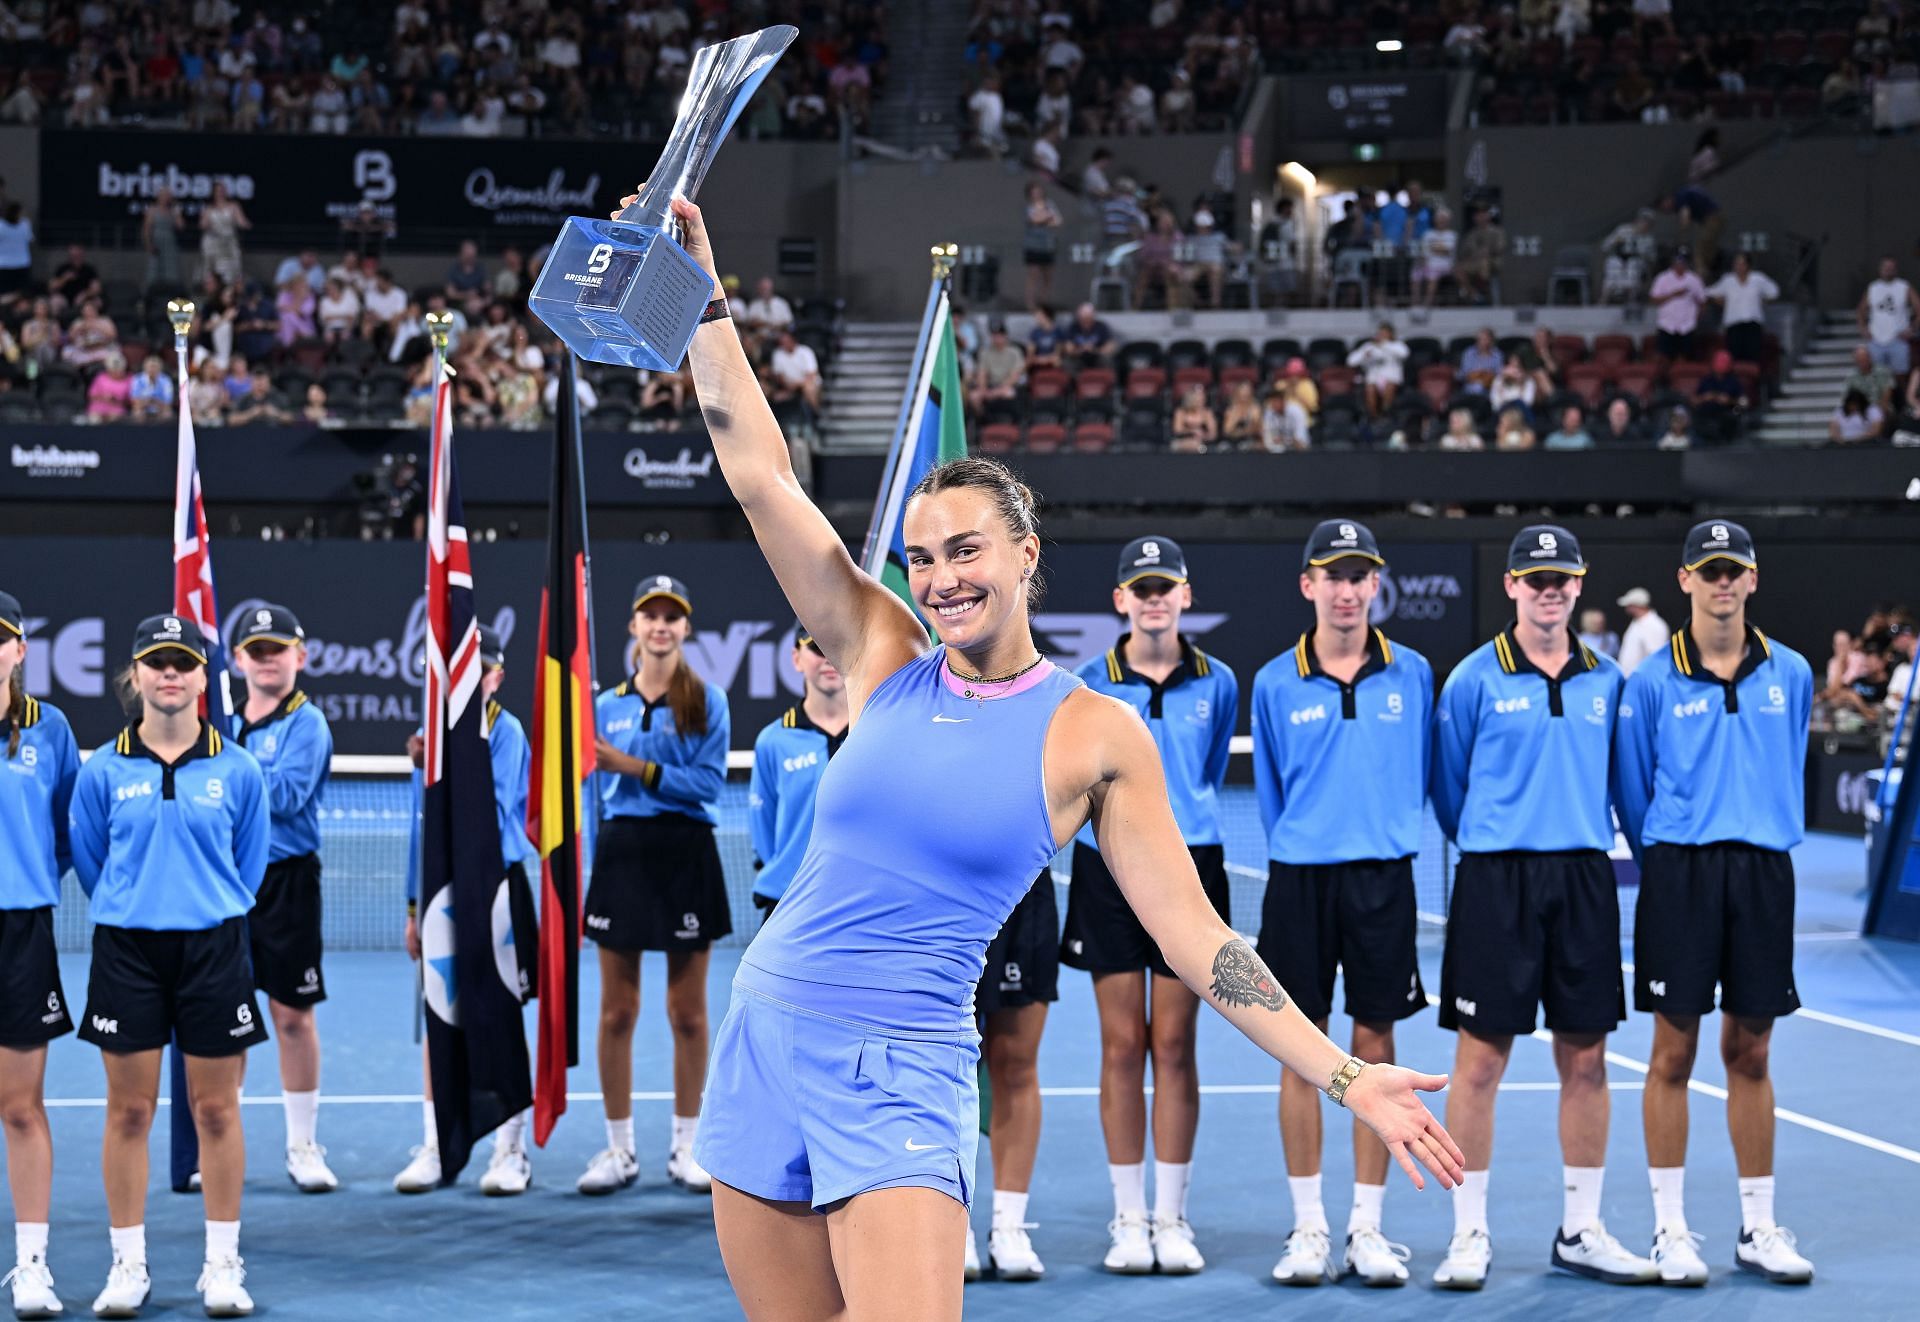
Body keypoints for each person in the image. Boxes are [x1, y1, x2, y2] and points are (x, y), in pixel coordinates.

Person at [640, 193, 1460, 1321]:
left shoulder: (1094, 730)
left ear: (1027, 554)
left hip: (903, 1074)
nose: (940, 579)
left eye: (966, 548)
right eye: (922, 558)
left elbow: (1200, 940)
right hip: (764, 1036)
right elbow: (759, 472)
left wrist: (1348, 1070)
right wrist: (702, 297)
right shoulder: (883, 651)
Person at [1428, 528, 1654, 1291]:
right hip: (1496, 882)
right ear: (1513, 587)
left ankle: (1582, 1229)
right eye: (1535, 578)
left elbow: (1628, 786)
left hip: (1585, 881)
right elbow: (1450, 792)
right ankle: (1469, 1233)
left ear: (1579, 584)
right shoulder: (1471, 679)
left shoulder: (1609, 681)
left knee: (1586, 1060)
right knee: (1480, 1063)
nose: (1549, 589)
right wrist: (1502, 843)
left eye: (1561, 578)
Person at [1614, 520, 1816, 1288]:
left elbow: (1786, 757)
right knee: (1673, 1053)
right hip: (1680, 876)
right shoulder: (1651, 682)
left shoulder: (1791, 672)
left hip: (1763, 875)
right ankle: (1670, 1230)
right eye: (1710, 571)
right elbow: (1633, 792)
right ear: (1686, 580)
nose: (1723, 582)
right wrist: (1672, 851)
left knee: (1753, 1051)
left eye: (1735, 570)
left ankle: (1759, 1227)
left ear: (1753, 580)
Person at [69, 614, 269, 1317]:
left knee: (216, 1109)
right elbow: (93, 863)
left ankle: (222, 1265)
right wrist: (139, 904)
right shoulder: (102, 770)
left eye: (183, 662)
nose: (171, 674)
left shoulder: (238, 768)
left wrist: (199, 904)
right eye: (157, 662)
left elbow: (249, 862)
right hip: (127, 953)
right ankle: (128, 1265)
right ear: (136, 675)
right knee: (129, 1111)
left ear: (202, 676)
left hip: (215, 949)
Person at [1255, 519, 1436, 1288]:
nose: (1347, 589)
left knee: (1375, 1048)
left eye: (1359, 575)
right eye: (1332, 575)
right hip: (1300, 882)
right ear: (1309, 587)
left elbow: (1428, 771)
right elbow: (1268, 795)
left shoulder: (1416, 674)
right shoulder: (1272, 681)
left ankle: (1366, 1226)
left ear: (1375, 585)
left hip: (1384, 884)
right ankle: (1308, 1229)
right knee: (1304, 1050)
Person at [1060, 537, 1239, 1277]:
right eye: (1141, 588)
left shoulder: (1220, 683)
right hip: (1108, 876)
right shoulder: (1086, 689)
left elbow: (1209, 769)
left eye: (1166, 587)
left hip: (1190, 872)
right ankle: (1128, 1217)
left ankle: (1172, 1216)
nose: (1154, 598)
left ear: (1185, 598)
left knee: (1174, 1046)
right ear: (1121, 602)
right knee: (1121, 1046)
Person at [580, 575, 730, 1197]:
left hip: (685, 854)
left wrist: (636, 766)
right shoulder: (602, 704)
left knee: (687, 1013)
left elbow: (709, 785)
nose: (661, 626)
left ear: (685, 628)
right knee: (617, 1011)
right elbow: (587, 790)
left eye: (672, 616)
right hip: (622, 854)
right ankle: (618, 1150)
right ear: (635, 628)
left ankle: (688, 1145)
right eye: (651, 616)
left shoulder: (707, 701)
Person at [394, 626, 541, 1196]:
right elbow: (419, 830)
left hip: (496, 888)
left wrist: (441, 765)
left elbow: (489, 811)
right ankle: (438, 1143)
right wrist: (413, 906)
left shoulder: (505, 733)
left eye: (479, 671)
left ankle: (511, 1150)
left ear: (495, 678)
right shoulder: (429, 740)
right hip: (440, 894)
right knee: (440, 1013)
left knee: (502, 1012)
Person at [227, 605, 336, 1195]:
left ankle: (302, 1145)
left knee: (292, 1016)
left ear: (301, 656)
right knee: (228, 1019)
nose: (268, 659)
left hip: (288, 881)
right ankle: (224, 1144)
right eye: (257, 649)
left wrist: (218, 773)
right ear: (238, 659)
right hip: (226, 884)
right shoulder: (219, 721)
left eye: (278, 649)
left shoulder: (307, 722)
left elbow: (287, 797)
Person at [0, 591, 80, 1320]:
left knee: (20, 1107)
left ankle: (31, 1265)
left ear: (19, 651)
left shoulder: (49, 729)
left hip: (21, 934)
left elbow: (69, 835)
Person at [748, 622, 848, 920]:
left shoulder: (876, 729)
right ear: (796, 658)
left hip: (861, 903)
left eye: (835, 646)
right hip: (790, 903)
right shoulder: (772, 741)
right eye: (817, 649)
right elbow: (763, 829)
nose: (828, 658)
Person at [1707, 253, 1778, 366]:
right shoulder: (1728, 280)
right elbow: (1710, 292)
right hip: (1734, 324)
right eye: (1737, 264)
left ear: (1748, 265)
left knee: (1752, 357)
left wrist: (1763, 300)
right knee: (1734, 358)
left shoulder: (1758, 279)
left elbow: (1774, 292)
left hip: (1753, 324)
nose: (1739, 267)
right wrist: (1720, 301)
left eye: (1742, 264)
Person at [1856, 256, 1919, 376]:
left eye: (1891, 267)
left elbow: (1918, 308)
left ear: (1896, 269)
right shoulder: (1873, 287)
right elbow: (1861, 310)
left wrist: (1912, 328)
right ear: (1880, 269)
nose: (1888, 270)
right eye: (1886, 267)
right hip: (1876, 339)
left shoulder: (1904, 286)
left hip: (1898, 339)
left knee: (1901, 375)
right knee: (1876, 376)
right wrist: (1863, 328)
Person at [1650, 249, 1707, 361]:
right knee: (1663, 357)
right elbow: (1654, 299)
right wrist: (1673, 294)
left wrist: (1696, 318)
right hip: (1667, 325)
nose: (1680, 264)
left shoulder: (1694, 279)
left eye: (1683, 261)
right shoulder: (1663, 278)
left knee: (1684, 358)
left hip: (1687, 326)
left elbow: (1703, 301)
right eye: (1678, 261)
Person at [1347, 323, 1409, 418]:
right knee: (1370, 389)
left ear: (1391, 334)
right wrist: (1364, 355)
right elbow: (1350, 362)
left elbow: (1405, 354)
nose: (1381, 336)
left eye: (1385, 333)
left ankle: (1387, 414)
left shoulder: (1396, 345)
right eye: (1380, 333)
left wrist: (1385, 344)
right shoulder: (1369, 346)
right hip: (1373, 378)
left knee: (1389, 386)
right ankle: (1374, 417)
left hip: (1391, 378)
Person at [1022, 182, 1063, 310]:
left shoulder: (1049, 205)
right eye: (1034, 192)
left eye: (1039, 192)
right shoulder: (1028, 207)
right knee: (1033, 275)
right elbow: (1034, 220)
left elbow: (1057, 221)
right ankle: (1031, 304)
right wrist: (1047, 217)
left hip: (1048, 245)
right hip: (1033, 246)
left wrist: (1045, 218)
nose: (1037, 194)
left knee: (1047, 276)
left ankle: (1044, 302)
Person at [1615, 588, 1669, 677]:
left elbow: (1656, 658)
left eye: (1630, 605)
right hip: (1630, 679)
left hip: (1643, 682)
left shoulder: (1655, 625)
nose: (1627, 608)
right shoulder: (1636, 622)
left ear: (1637, 605)